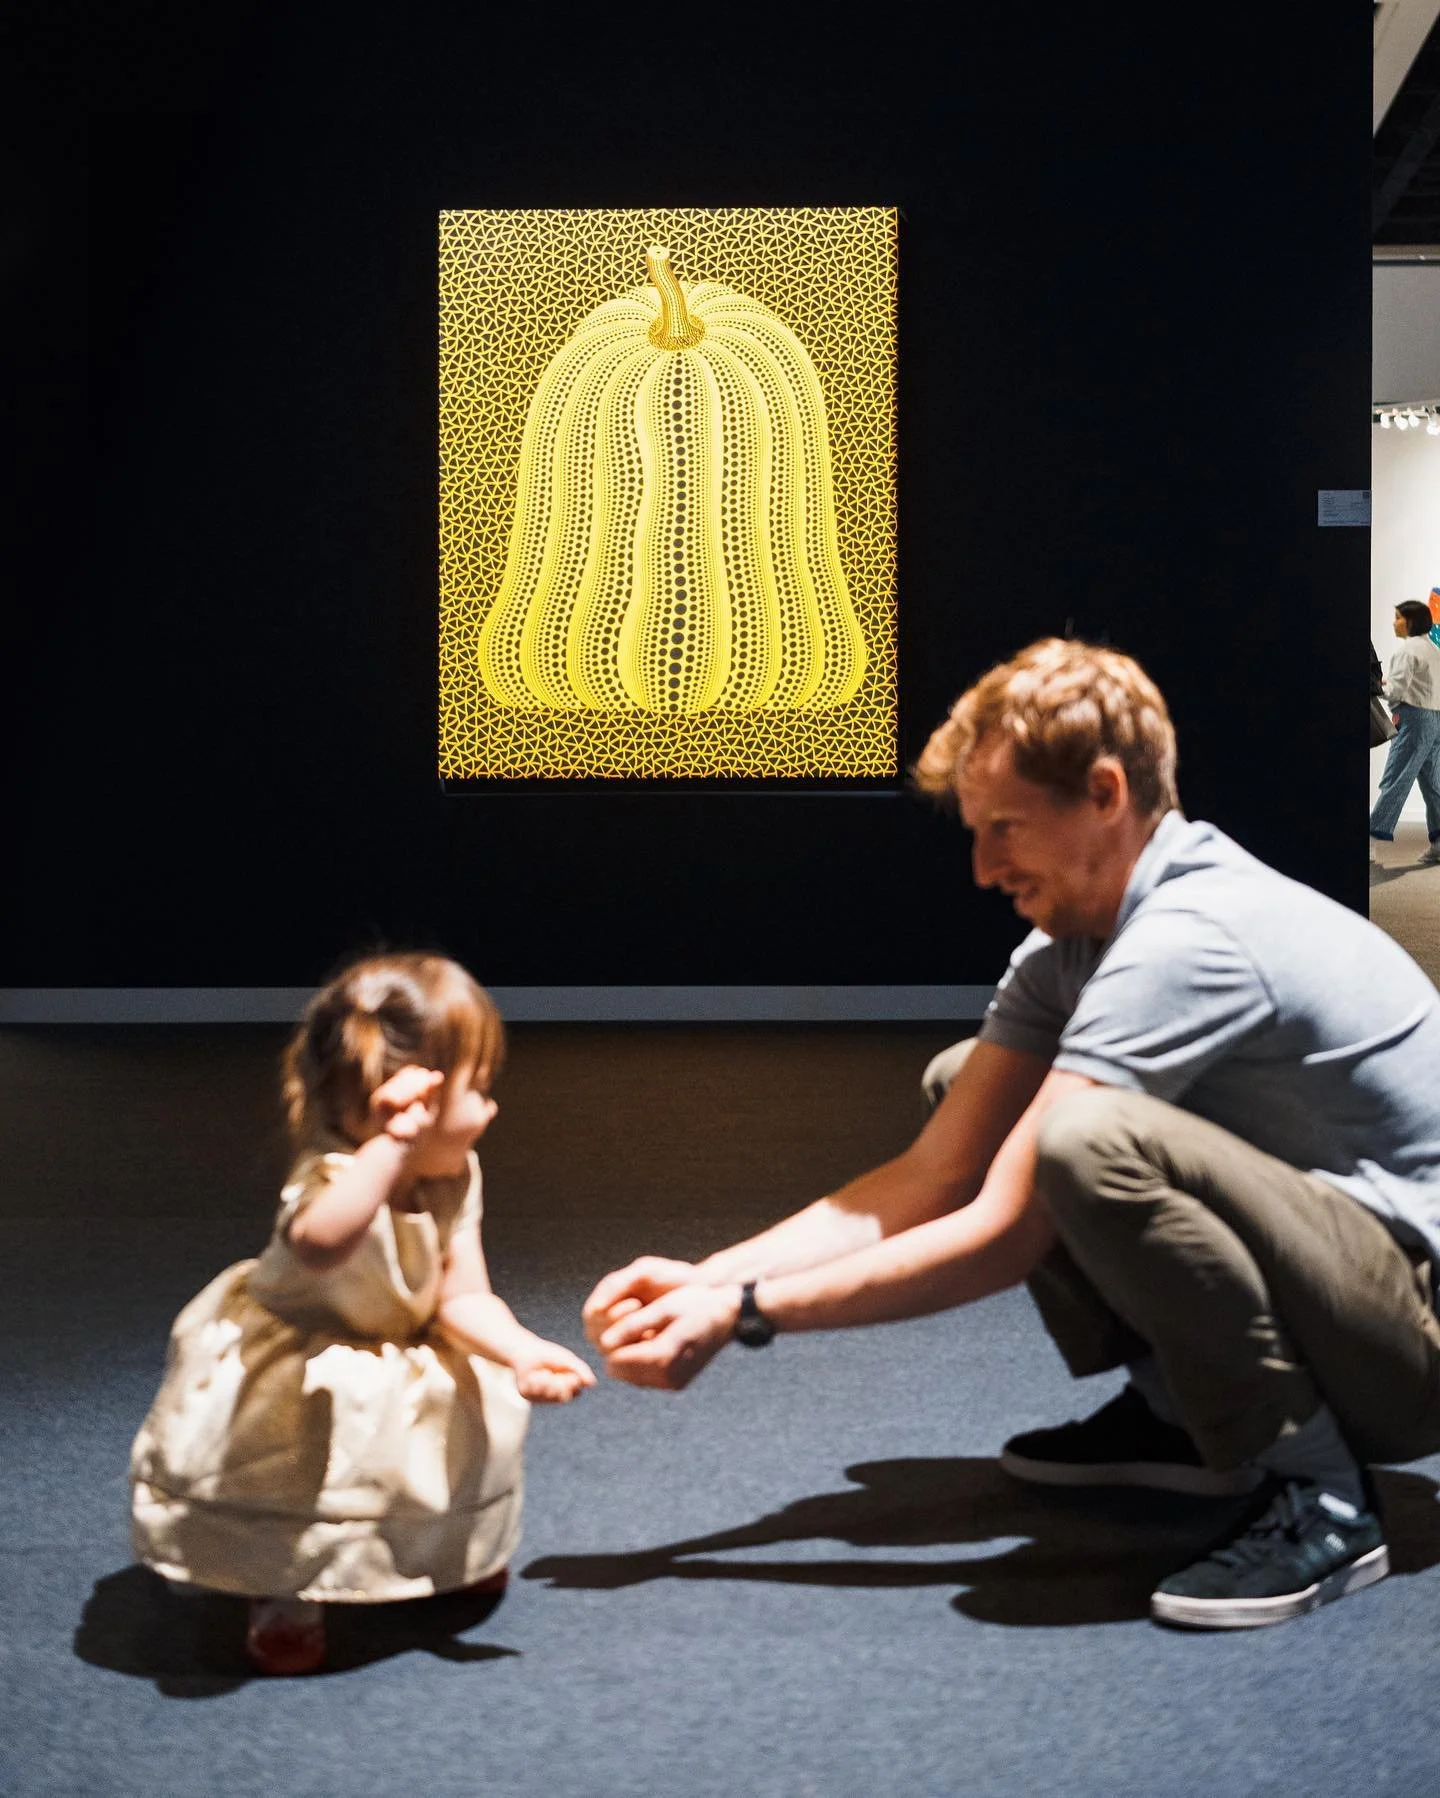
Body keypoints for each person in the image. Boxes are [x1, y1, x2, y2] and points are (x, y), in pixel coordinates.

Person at [584, 638, 1440, 1630]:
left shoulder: (1192, 935)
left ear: (1106, 794)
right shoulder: (1072, 949)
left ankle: (1325, 1497)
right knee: (971, 1089)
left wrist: (744, 1316)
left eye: (1005, 829)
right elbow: (934, 1172)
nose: (984, 866)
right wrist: (706, 1278)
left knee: (1081, 1143)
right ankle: (1187, 1414)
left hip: (1413, 1343)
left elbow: (1000, 1232)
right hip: (1344, 1286)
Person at [131, 952, 595, 1674]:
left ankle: (441, 1551)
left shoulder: (454, 1177)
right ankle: (284, 1591)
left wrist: (522, 1351)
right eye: (479, 1089)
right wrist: (389, 1150)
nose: (493, 1108)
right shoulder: (335, 1175)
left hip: (401, 1347)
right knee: (297, 1486)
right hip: (305, 1364)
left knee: (442, 1440)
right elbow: (319, 1243)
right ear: (408, 1101)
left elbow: (463, 1295)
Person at [1369, 599, 1440, 865]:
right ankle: (1439, 842)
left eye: (1398, 617)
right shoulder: (1433, 650)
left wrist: (1377, 688)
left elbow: (1396, 691)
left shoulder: (1406, 652)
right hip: (1435, 719)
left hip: (1413, 719)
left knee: (1395, 780)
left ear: (1410, 622)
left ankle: (1370, 840)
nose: (1394, 622)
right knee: (1433, 783)